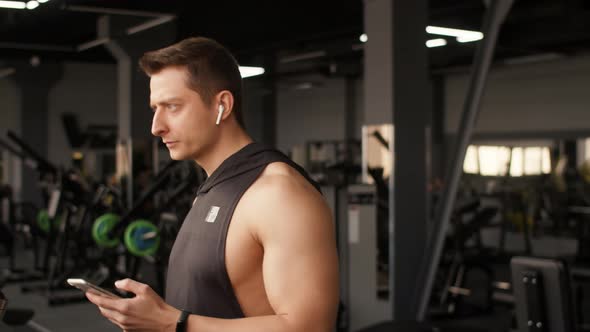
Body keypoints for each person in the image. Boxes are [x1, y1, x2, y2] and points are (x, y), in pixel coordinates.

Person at [86, 36, 339, 332]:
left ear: (222, 105)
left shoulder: (277, 193)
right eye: (156, 108)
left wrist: (172, 323)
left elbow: (311, 327)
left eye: (172, 106)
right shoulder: (212, 187)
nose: (156, 126)